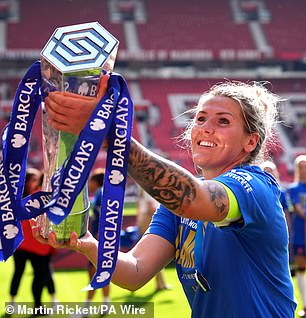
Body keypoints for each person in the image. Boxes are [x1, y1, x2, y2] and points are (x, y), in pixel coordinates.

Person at [31, 76, 297, 317]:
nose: (205, 128)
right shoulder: (178, 208)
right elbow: (135, 271)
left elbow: (197, 200)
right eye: (200, 118)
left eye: (223, 121)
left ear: (250, 142)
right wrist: (87, 243)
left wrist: (113, 138)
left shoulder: (256, 185)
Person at [9, 168, 58, 310]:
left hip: (25, 244)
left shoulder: (28, 197)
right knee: (40, 276)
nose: (34, 183)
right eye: (33, 180)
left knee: (34, 274)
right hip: (36, 245)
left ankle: (20, 303)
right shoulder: (38, 197)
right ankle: (39, 305)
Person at [84, 168, 111, 307]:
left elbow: (104, 217)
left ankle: (86, 308)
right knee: (103, 273)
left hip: (100, 241)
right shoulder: (104, 193)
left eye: (91, 181)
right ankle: (106, 304)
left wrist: (100, 239)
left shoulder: (101, 193)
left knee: (94, 273)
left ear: (96, 181)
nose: (89, 184)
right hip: (104, 241)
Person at [137, 187, 171, 292]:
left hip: (144, 218)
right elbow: (151, 207)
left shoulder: (142, 187)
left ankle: (160, 283)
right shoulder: (148, 188)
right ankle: (160, 283)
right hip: (149, 218)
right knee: (156, 253)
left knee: (155, 253)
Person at [287, 155, 306, 317]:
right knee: (301, 269)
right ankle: (305, 305)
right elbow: (299, 210)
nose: (304, 169)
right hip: (300, 235)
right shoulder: (294, 188)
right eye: (301, 167)